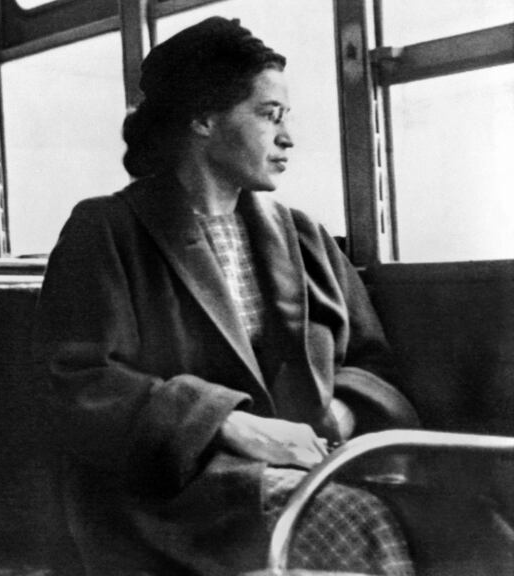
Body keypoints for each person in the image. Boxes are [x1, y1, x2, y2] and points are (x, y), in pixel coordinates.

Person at [34, 17, 420, 576]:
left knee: (456, 510)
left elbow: (371, 364)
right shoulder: (106, 230)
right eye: (269, 115)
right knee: (349, 518)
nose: (288, 137)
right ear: (203, 119)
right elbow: (78, 384)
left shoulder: (303, 235)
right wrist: (229, 425)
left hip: (311, 461)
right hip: (174, 492)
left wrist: (336, 416)